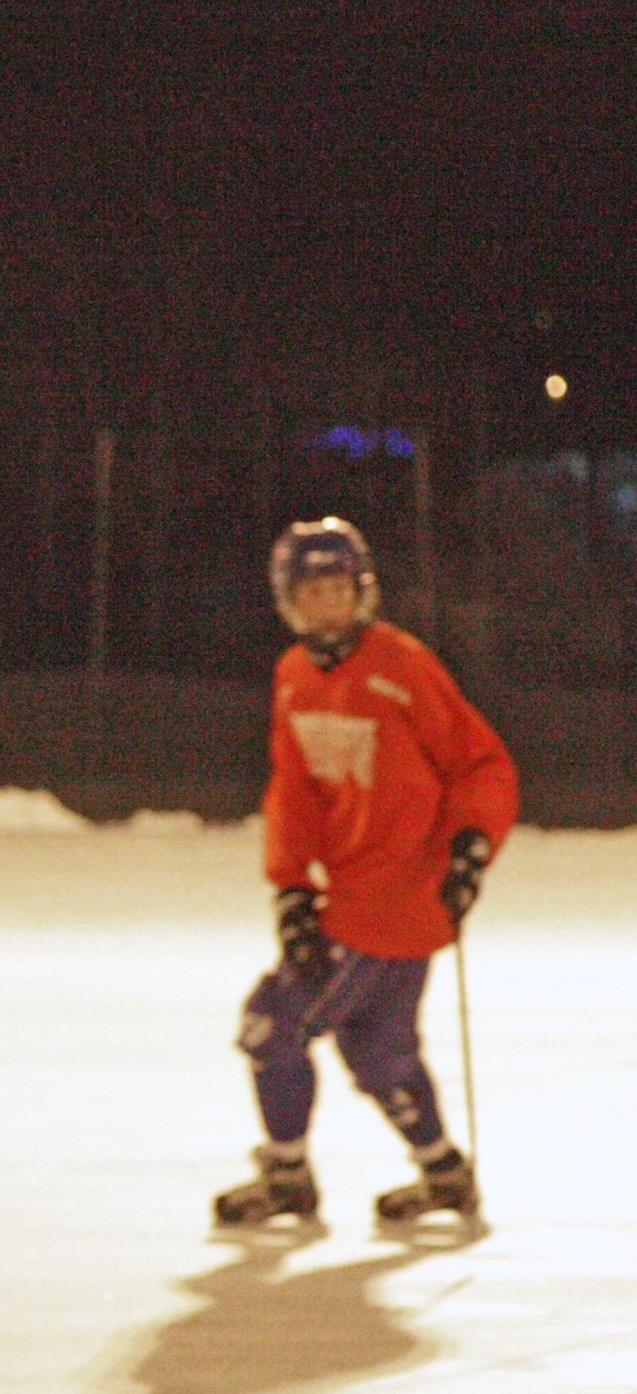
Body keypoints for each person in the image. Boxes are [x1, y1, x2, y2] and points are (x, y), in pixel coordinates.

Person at [208, 516, 515, 1235]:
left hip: (395, 901)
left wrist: (469, 847)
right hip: (350, 897)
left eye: (339, 589)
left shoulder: (399, 665)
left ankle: (286, 1175)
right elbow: (294, 791)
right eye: (312, 592)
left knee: (270, 1025)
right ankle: (443, 1171)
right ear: (288, 600)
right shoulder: (292, 678)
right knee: (378, 1050)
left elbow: (478, 763)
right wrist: (290, 885)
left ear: (362, 592)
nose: (328, 606)